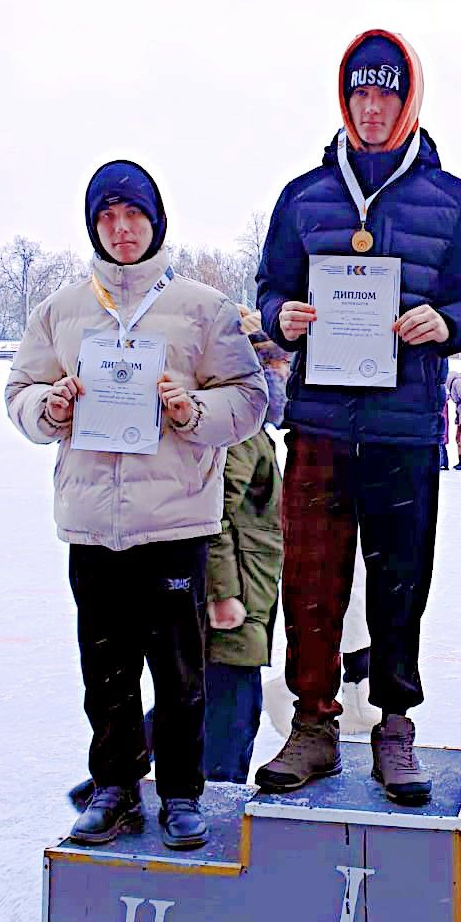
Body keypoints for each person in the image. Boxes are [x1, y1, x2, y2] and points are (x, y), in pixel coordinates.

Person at [254, 29, 461, 804]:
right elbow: (269, 288)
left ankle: (395, 725)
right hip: (321, 425)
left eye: (385, 94)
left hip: (404, 426)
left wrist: (448, 324)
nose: (370, 107)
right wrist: (282, 316)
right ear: (344, 98)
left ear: (409, 101)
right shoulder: (303, 196)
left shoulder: (454, 200)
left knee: (400, 584)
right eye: (359, 93)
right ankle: (315, 725)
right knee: (312, 582)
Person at [6, 161, 266, 850]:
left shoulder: (203, 308)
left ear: (157, 222)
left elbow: (248, 399)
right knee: (105, 669)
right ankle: (116, 786)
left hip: (173, 520)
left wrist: (191, 409)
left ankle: (181, 792)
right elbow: (19, 393)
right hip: (91, 522)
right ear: (93, 225)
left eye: (134, 216)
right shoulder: (61, 311)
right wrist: (49, 406)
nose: (121, 230)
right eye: (107, 218)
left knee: (180, 672)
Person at [202, 312, 288, 783]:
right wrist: (224, 593)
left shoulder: (254, 431)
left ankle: (107, 778)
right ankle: (219, 811)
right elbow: (213, 515)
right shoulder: (240, 432)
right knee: (234, 715)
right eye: (274, 364)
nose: (283, 375)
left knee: (217, 701)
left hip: (249, 590)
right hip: (237, 597)